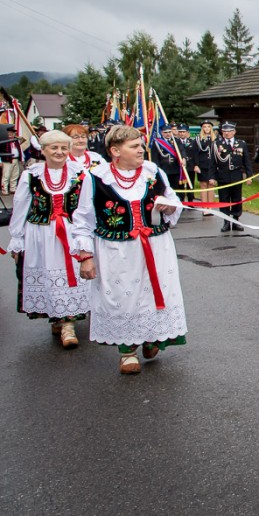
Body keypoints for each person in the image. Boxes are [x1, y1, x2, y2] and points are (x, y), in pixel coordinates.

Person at [71, 124, 186, 373]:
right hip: (116, 251)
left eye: (141, 144)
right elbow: (82, 219)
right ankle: (127, 351)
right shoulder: (96, 178)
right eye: (134, 146)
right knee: (122, 297)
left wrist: (169, 207)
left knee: (158, 294)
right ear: (115, 150)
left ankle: (154, 337)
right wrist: (85, 257)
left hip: (156, 246)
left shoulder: (153, 172)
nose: (141, 149)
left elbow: (173, 199)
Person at [8, 130, 90, 348]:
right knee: (48, 276)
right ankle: (57, 317)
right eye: (54, 148)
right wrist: (17, 238)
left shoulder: (79, 173)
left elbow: (87, 205)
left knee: (71, 275)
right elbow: (21, 207)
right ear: (43, 151)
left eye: (64, 148)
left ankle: (68, 325)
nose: (59, 152)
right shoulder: (31, 175)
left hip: (71, 233)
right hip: (41, 234)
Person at [214, 121, 250, 232]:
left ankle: (235, 220)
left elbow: (247, 161)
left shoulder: (241, 144)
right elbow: (212, 162)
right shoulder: (217, 144)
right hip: (223, 176)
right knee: (224, 199)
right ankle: (226, 222)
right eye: (224, 131)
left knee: (236, 199)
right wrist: (212, 177)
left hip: (236, 176)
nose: (226, 133)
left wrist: (249, 176)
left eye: (229, 131)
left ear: (234, 132)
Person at [194, 120, 218, 214]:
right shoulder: (198, 139)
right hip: (202, 165)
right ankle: (204, 207)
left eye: (208, 126)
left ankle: (210, 207)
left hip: (212, 165)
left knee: (211, 185)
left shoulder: (215, 139)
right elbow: (195, 153)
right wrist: (196, 165)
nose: (206, 128)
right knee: (203, 185)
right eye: (204, 127)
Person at [174, 124, 196, 203]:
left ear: (187, 132)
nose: (182, 133)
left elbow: (195, 154)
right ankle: (181, 200)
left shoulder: (192, 142)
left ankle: (190, 200)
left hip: (190, 166)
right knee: (180, 185)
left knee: (191, 184)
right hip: (179, 167)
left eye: (183, 132)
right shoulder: (175, 142)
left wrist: (195, 165)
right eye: (180, 132)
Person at [1, 125, 24, 195]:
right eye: (9, 133)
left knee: (15, 175)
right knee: (6, 176)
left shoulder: (16, 141)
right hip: (7, 161)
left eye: (12, 133)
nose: (10, 134)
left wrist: (22, 159)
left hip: (16, 160)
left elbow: (20, 150)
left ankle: (13, 189)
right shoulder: (3, 141)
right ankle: (4, 190)